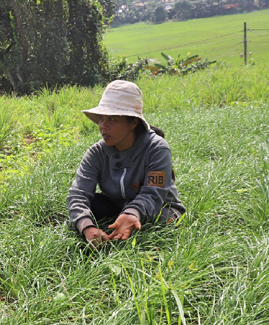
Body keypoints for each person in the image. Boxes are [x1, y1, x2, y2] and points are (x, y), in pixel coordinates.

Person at [67, 80, 185, 247]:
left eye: (112, 119)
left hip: (159, 207)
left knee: (163, 221)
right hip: (117, 206)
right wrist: (87, 227)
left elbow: (153, 194)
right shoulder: (96, 153)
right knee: (87, 209)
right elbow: (78, 194)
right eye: (101, 118)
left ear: (133, 122)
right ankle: (121, 220)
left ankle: (131, 221)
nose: (103, 126)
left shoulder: (156, 148)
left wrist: (132, 213)